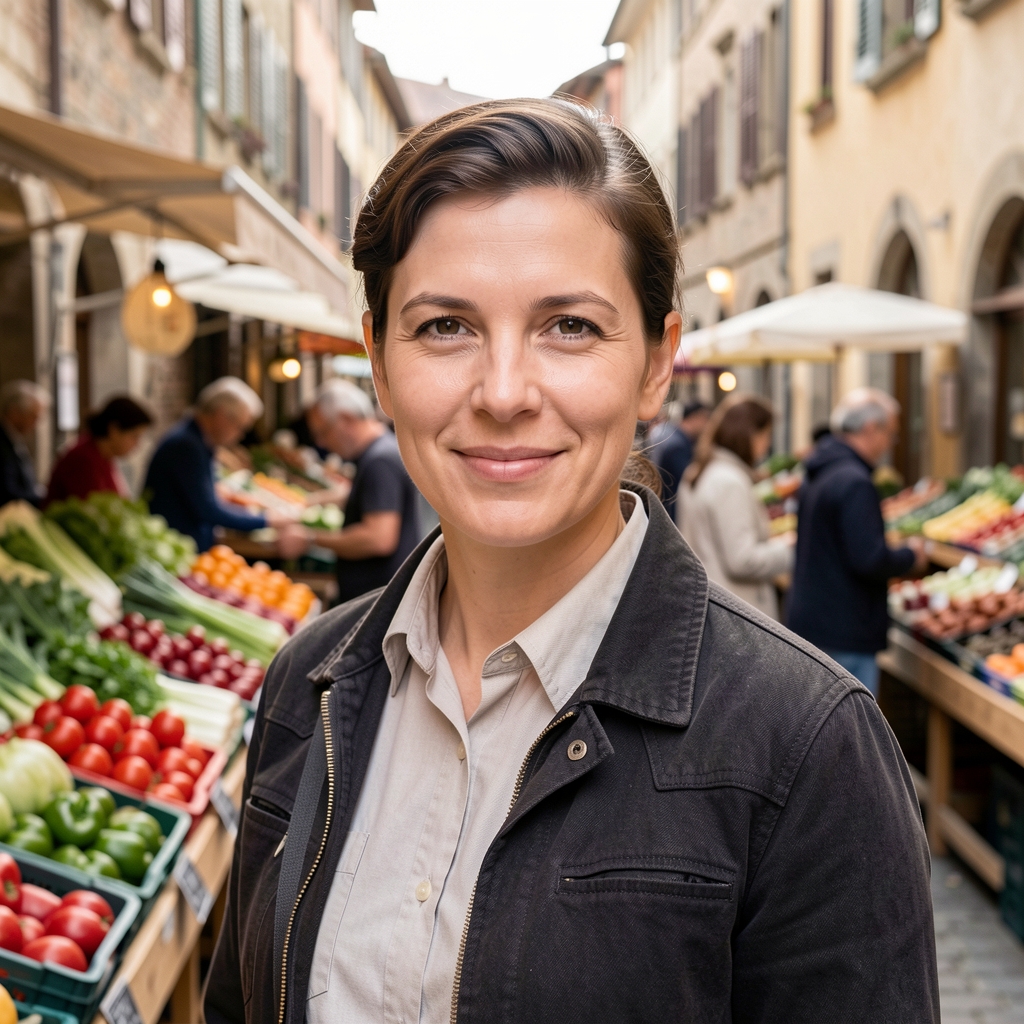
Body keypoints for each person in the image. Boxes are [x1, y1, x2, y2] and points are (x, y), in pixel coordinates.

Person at [205, 100, 937, 1024]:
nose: (504, 392)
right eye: (444, 327)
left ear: (657, 363)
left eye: (571, 328)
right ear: (380, 364)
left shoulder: (806, 745)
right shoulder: (307, 681)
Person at [788, 387, 928, 695]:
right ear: (870, 429)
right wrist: (909, 556)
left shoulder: (821, 469)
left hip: (817, 619)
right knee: (852, 736)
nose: (891, 443)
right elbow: (869, 558)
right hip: (844, 629)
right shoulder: (855, 481)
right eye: (891, 434)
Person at [145, 377, 302, 554]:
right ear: (221, 416)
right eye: (240, 427)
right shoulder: (186, 445)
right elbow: (208, 510)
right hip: (178, 549)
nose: (240, 435)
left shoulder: (198, 441)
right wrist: (266, 520)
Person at [302, 378, 420, 604]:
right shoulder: (380, 450)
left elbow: (379, 538)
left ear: (346, 419)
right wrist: (325, 499)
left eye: (324, 431)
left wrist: (310, 538)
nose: (322, 443)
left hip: (377, 598)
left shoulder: (379, 461)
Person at [677, 394, 794, 619]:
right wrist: (789, 551)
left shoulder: (702, 471)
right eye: (766, 434)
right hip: (738, 609)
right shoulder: (728, 481)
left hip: (718, 604)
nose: (767, 444)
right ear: (750, 434)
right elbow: (742, 560)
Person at [45, 396, 153, 506]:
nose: (137, 445)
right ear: (114, 430)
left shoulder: (103, 455)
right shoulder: (83, 459)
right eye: (134, 437)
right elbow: (93, 510)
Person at [650, 399, 709, 519]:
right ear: (697, 417)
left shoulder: (671, 434)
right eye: (706, 419)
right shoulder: (677, 446)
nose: (707, 425)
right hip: (674, 514)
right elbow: (688, 482)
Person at [0, 381, 49, 508]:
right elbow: (7, 492)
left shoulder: (14, 438)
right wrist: (44, 499)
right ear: (15, 413)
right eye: (33, 417)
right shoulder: (2, 443)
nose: (35, 424)